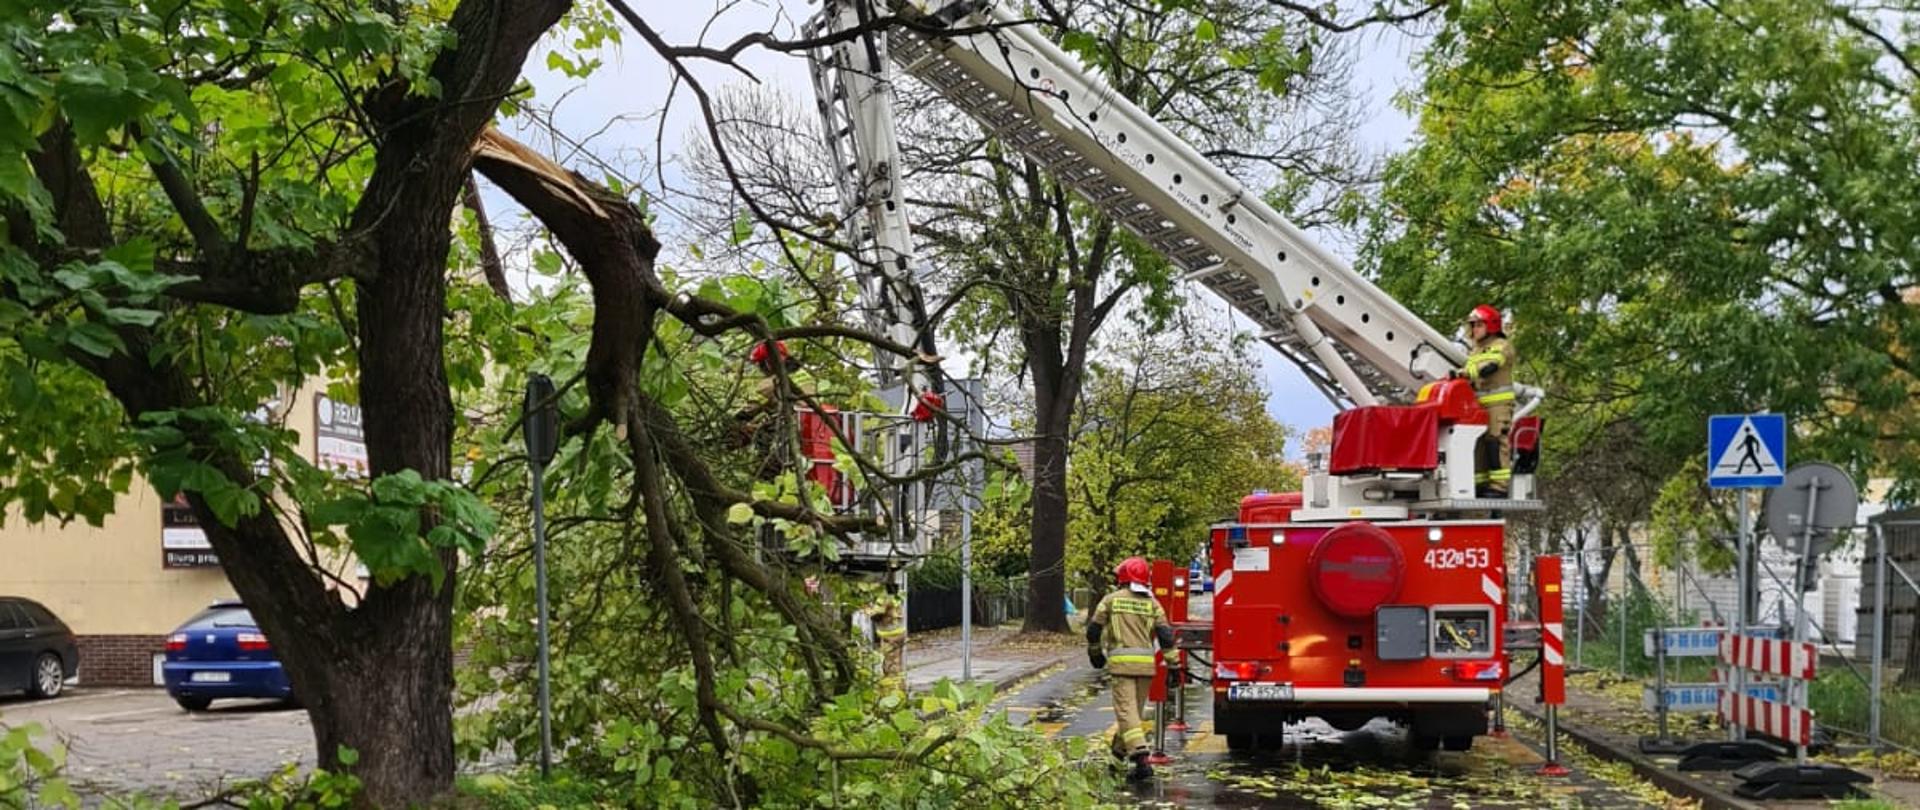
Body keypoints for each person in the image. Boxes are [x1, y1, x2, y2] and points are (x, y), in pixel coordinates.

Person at [1087, 557, 1175, 782]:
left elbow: (1094, 630)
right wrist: (1173, 665)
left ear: (1123, 578)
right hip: (1146, 667)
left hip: (1122, 667)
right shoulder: (1153, 604)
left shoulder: (1111, 600)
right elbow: (1166, 636)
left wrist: (1095, 653)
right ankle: (1116, 759)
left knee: (1127, 714)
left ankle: (1141, 758)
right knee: (1131, 715)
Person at [1459, 304, 1517, 495]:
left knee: (1495, 441)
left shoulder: (1501, 346)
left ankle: (1499, 487)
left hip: (1498, 405)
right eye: (1472, 325)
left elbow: (1490, 367)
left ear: (1490, 326)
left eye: (1478, 325)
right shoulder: (1475, 350)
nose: (1473, 329)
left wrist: (1467, 374)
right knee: (1478, 444)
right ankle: (1481, 485)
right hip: (1479, 406)